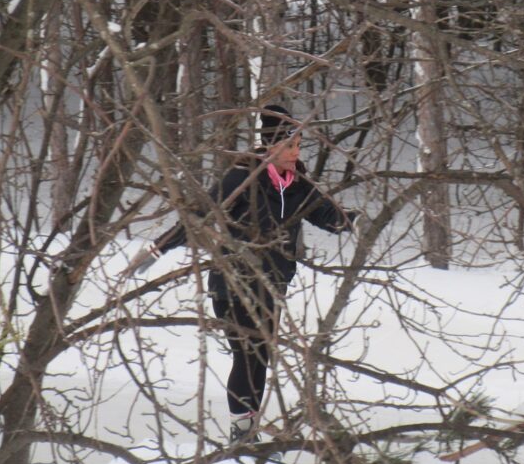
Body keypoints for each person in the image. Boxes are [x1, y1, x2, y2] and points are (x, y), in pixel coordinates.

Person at [125, 104, 359, 444]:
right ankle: (243, 432)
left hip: (273, 284)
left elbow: (324, 213)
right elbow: (200, 216)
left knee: (260, 356)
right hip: (234, 282)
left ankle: (246, 431)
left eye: (298, 146)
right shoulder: (241, 178)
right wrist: (156, 249)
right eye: (290, 146)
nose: (296, 153)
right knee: (248, 353)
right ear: (270, 146)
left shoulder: (299, 185)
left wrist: (352, 220)